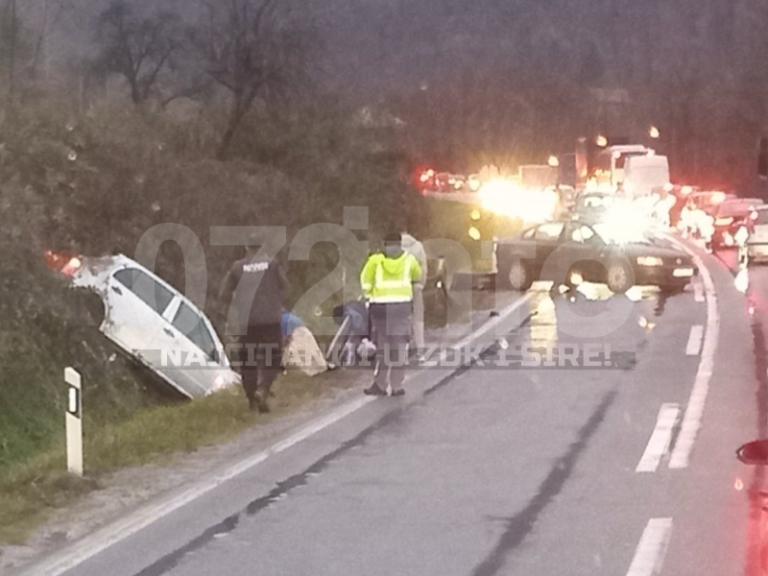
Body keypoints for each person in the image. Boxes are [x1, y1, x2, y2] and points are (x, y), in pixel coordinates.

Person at [219, 240, 288, 412]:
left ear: (246, 247)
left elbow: (223, 293)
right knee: (273, 357)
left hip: (247, 321)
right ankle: (263, 390)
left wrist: (238, 303)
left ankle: (251, 401)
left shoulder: (237, 267)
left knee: (248, 361)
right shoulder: (272, 265)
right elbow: (286, 286)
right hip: (270, 320)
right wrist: (274, 300)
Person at [360, 232, 423, 396]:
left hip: (380, 309)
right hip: (402, 308)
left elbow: (365, 280)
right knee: (400, 346)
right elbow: (418, 275)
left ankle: (380, 385)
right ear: (400, 243)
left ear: (385, 244)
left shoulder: (375, 260)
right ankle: (397, 386)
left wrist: (368, 296)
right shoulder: (409, 260)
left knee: (384, 346)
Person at [401, 231, 428, 354]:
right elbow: (423, 267)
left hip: (400, 287)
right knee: (418, 319)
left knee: (402, 319)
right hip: (416, 285)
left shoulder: (395, 247)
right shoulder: (418, 246)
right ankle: (420, 349)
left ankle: (403, 351)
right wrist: (421, 284)